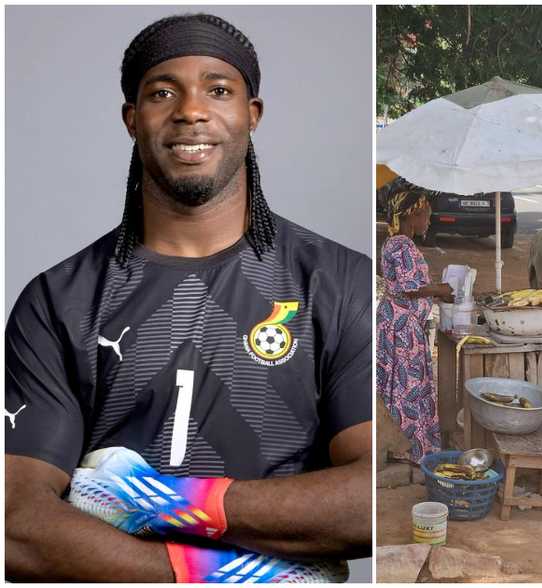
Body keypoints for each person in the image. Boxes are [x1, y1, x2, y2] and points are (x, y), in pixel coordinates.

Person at [5, 14, 372, 582]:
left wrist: (172, 502)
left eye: (219, 90)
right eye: (161, 93)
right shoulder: (60, 300)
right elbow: (14, 523)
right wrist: (215, 576)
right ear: (133, 120)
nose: (191, 111)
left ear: (253, 115)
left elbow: (375, 495)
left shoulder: (340, 283)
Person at [376, 186, 454, 464]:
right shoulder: (401, 245)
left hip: (398, 324)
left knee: (400, 386)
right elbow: (411, 288)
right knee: (408, 388)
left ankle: (404, 446)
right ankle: (412, 449)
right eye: (426, 216)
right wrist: (441, 290)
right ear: (412, 215)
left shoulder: (396, 242)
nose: (429, 222)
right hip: (402, 328)